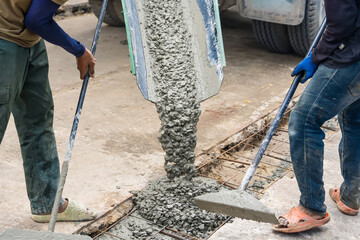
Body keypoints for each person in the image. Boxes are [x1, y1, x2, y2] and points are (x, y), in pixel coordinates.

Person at [0, 0, 96, 222]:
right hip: (4, 40)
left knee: (38, 118)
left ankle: (46, 202)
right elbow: (38, 19)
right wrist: (79, 49)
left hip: (28, 38)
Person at [273, 0, 360, 233]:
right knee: (354, 121)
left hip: (354, 55)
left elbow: (341, 22)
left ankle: (311, 208)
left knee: (303, 122)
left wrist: (316, 56)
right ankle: (351, 195)